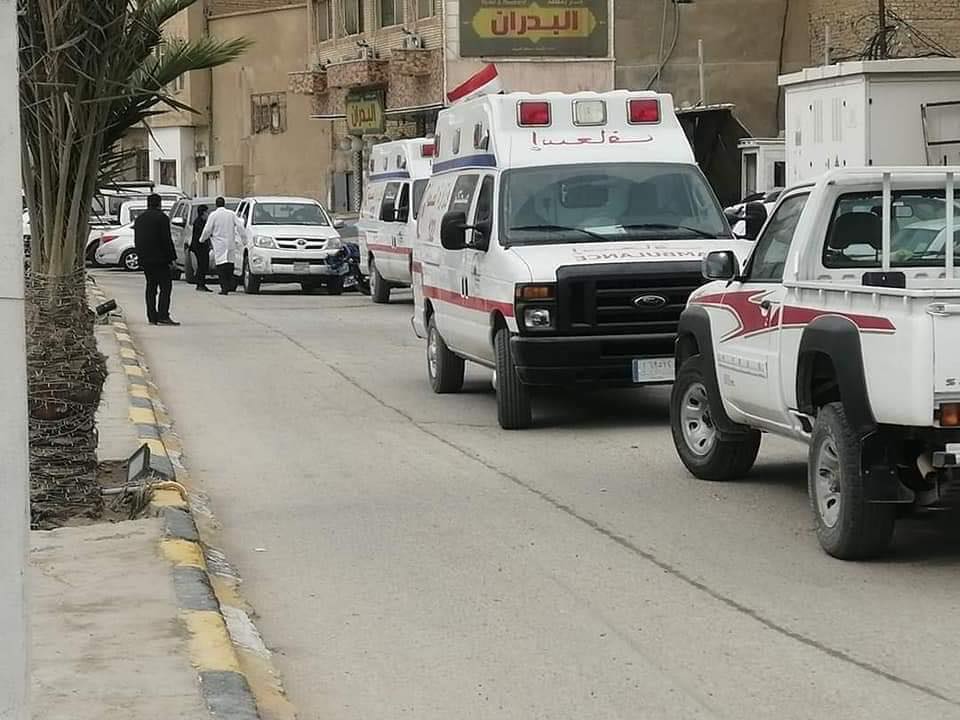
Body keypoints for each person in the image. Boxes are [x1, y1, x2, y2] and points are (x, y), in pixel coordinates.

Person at [133, 193, 179, 326]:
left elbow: (137, 240)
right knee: (166, 286)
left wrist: (140, 257)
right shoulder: (162, 218)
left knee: (151, 287)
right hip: (160, 260)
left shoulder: (140, 219)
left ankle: (152, 316)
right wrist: (172, 258)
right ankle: (163, 315)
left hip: (146, 259)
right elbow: (166, 239)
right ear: (159, 203)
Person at [199, 196, 245, 295]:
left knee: (221, 266)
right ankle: (229, 285)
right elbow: (240, 226)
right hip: (230, 243)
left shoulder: (213, 215)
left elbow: (207, 229)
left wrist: (202, 239)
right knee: (230, 264)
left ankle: (224, 288)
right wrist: (244, 239)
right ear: (224, 204)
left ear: (216, 205)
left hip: (219, 244)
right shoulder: (231, 214)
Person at [190, 204, 213, 292]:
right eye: (207, 212)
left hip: (202, 247)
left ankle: (201, 283)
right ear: (203, 213)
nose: (208, 214)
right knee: (202, 265)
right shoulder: (199, 222)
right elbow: (203, 235)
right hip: (199, 247)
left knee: (204, 265)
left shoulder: (203, 221)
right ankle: (200, 284)